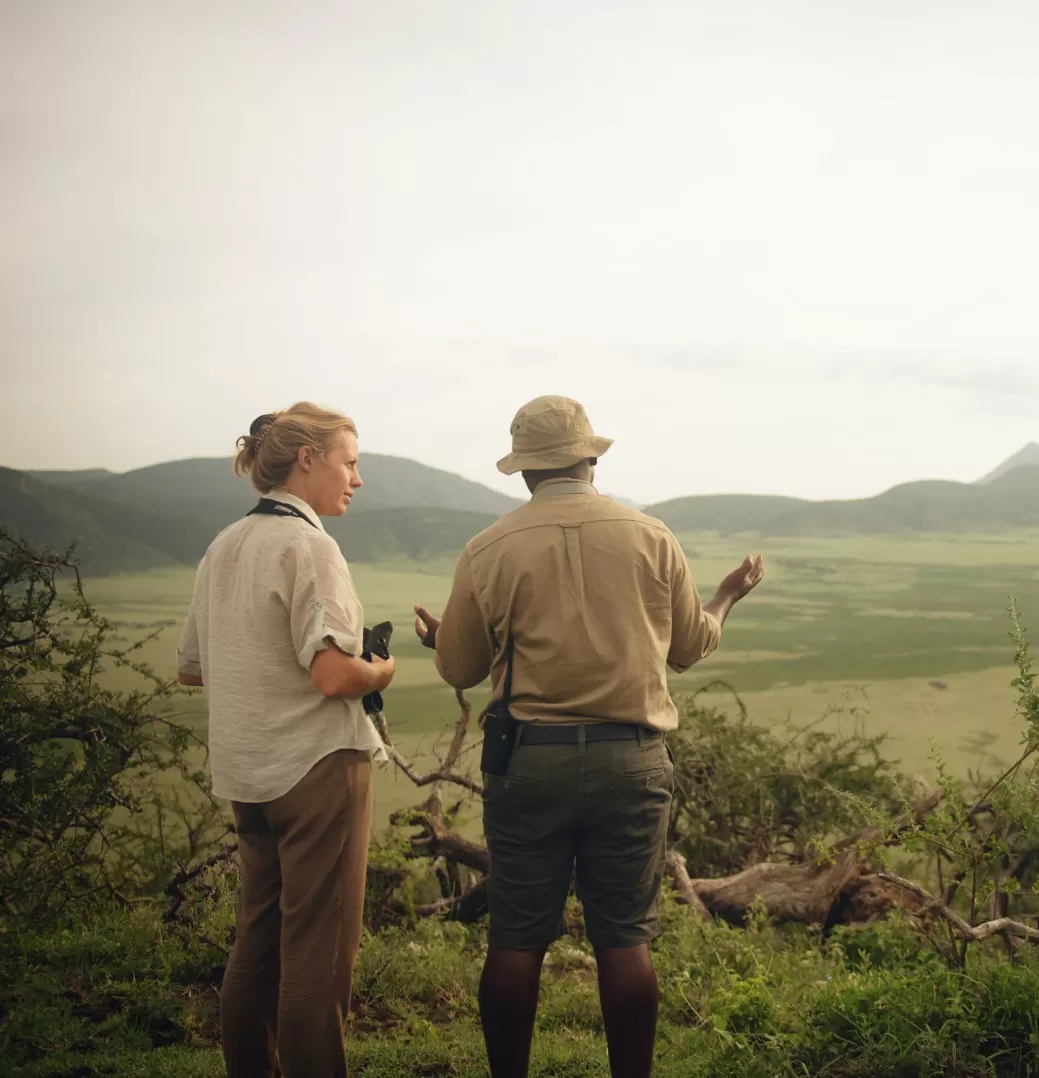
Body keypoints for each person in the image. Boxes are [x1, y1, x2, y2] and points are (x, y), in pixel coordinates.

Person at [412, 395, 764, 1078]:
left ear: (523, 473)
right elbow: (690, 648)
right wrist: (725, 596)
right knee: (625, 941)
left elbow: (460, 666)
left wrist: (440, 639)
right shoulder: (651, 536)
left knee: (515, 941)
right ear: (590, 459)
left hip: (529, 762)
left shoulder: (488, 548)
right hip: (631, 761)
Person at [176, 403, 394, 1078]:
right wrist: (381, 668)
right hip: (316, 769)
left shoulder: (224, 546)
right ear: (308, 459)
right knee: (318, 961)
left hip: (247, 771)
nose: (356, 478)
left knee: (257, 944)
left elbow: (190, 669)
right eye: (349, 461)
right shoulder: (311, 547)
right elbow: (332, 675)